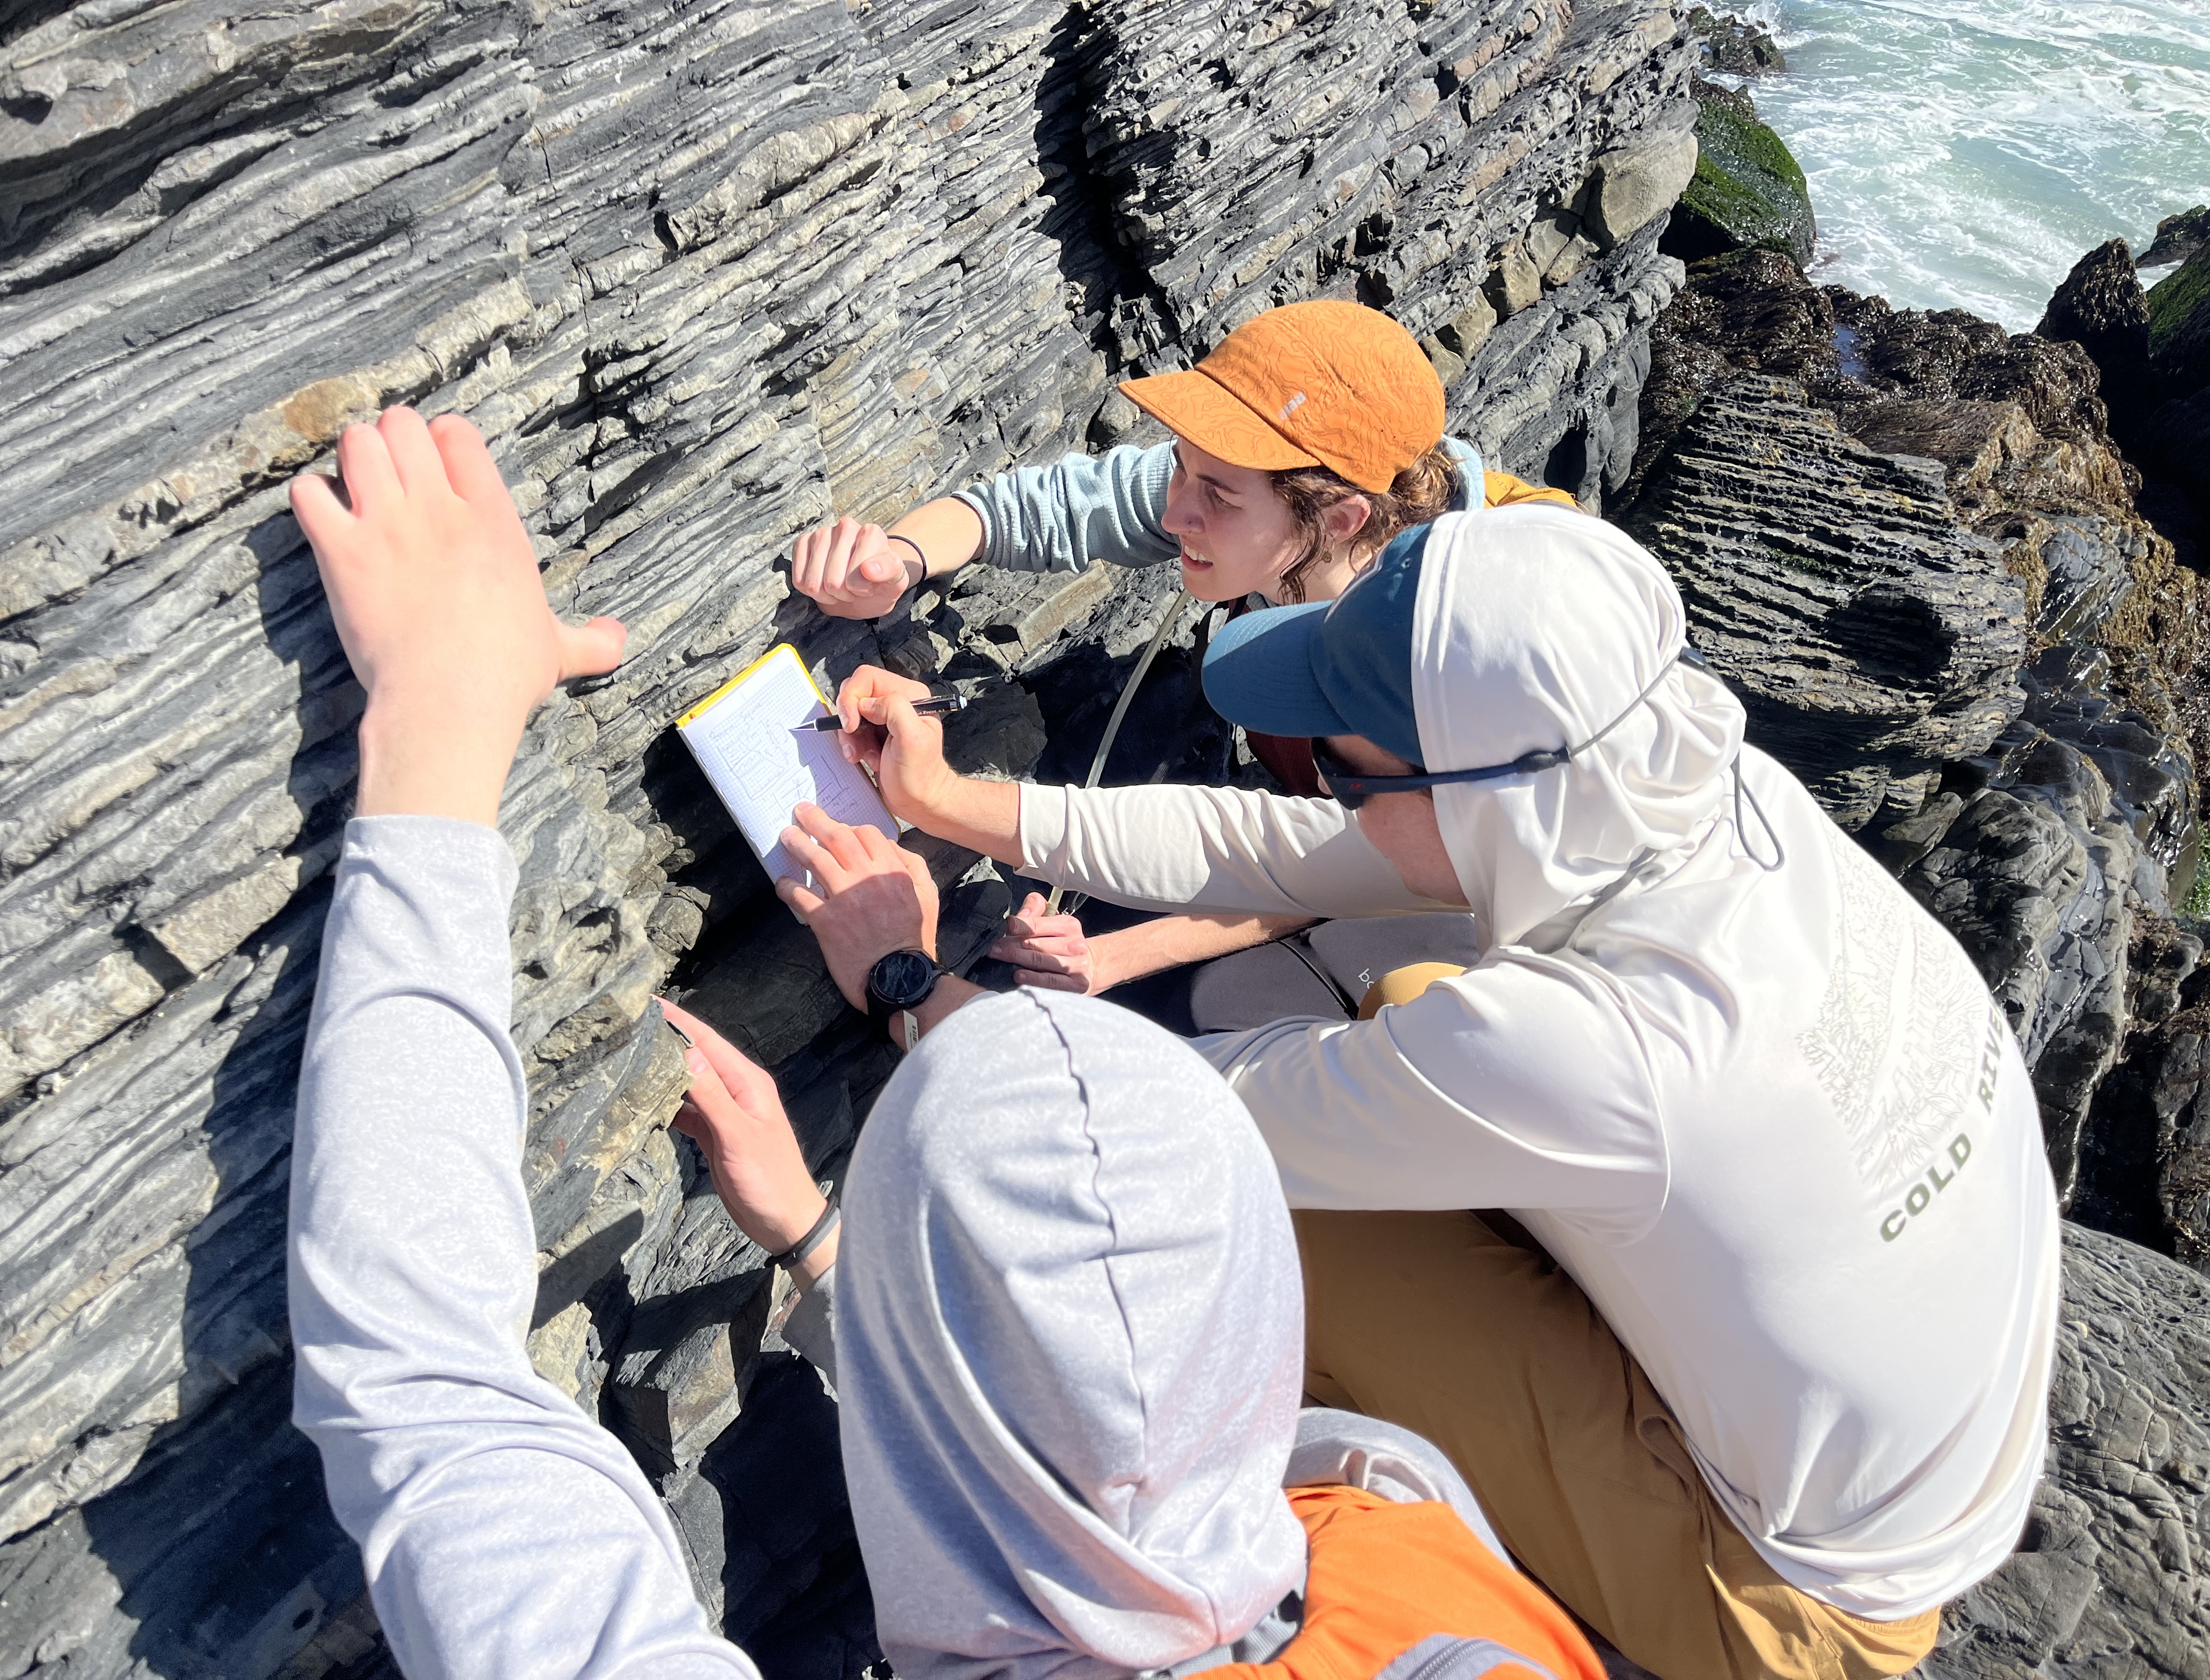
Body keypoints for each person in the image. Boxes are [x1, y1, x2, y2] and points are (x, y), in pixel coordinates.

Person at [284, 406, 1610, 1679]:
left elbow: (427, 1395)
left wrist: (438, 728)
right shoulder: (1415, 1543)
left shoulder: (1401, 1509)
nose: (1185, 501)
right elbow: (1104, 1486)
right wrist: (815, 1230)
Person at [822, 503, 2062, 1680]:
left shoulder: (1596, 1051)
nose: (1324, 800)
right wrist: (946, 804)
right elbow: (1281, 851)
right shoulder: (1707, 798)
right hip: (1922, 1462)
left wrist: (907, 988)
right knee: (1416, 994)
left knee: (1250, 1224)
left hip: (1788, 1602)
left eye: (1349, 774)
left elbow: (1141, 1140)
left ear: (1485, 792)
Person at [792, 299, 1573, 1005]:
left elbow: (1360, 865)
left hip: (1491, 921)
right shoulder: (1264, 506)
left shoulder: (1466, 668)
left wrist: (1120, 955)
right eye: (1180, 468)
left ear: (1340, 520)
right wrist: (896, 562)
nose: (1176, 511)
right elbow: (1042, 508)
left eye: (1217, 496)